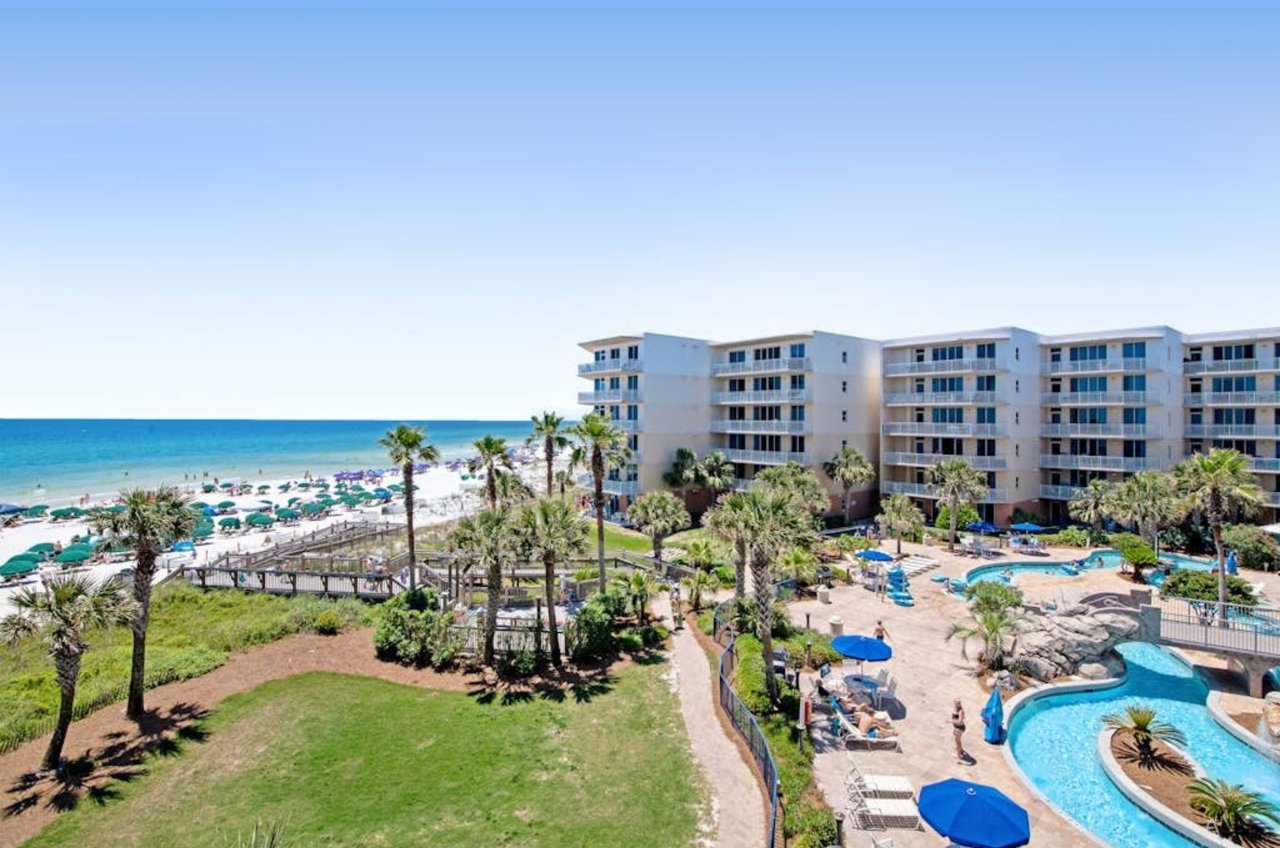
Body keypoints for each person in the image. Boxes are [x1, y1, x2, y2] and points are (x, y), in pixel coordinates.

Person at [951, 698, 971, 763]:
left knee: (957, 741)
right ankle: (961, 750)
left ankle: (958, 756)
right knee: (956, 739)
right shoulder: (956, 709)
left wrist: (951, 721)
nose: (956, 704)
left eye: (957, 703)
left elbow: (960, 721)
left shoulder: (961, 711)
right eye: (955, 703)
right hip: (956, 727)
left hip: (959, 728)